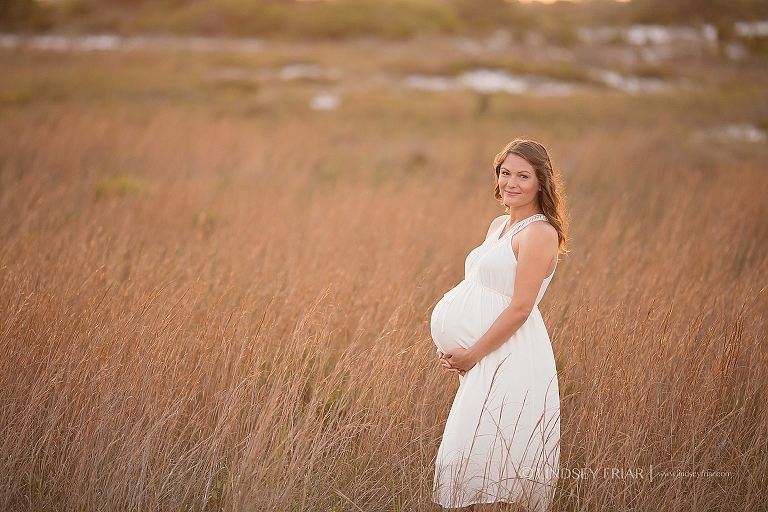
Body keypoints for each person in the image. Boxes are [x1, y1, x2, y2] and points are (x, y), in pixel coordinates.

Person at [431, 139, 568, 511]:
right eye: (505, 173)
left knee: (497, 467)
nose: (511, 183)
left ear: (542, 181)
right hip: (483, 360)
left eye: (523, 176)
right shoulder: (499, 225)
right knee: (472, 461)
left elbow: (522, 307)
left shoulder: (540, 233)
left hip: (509, 358)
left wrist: (472, 354)